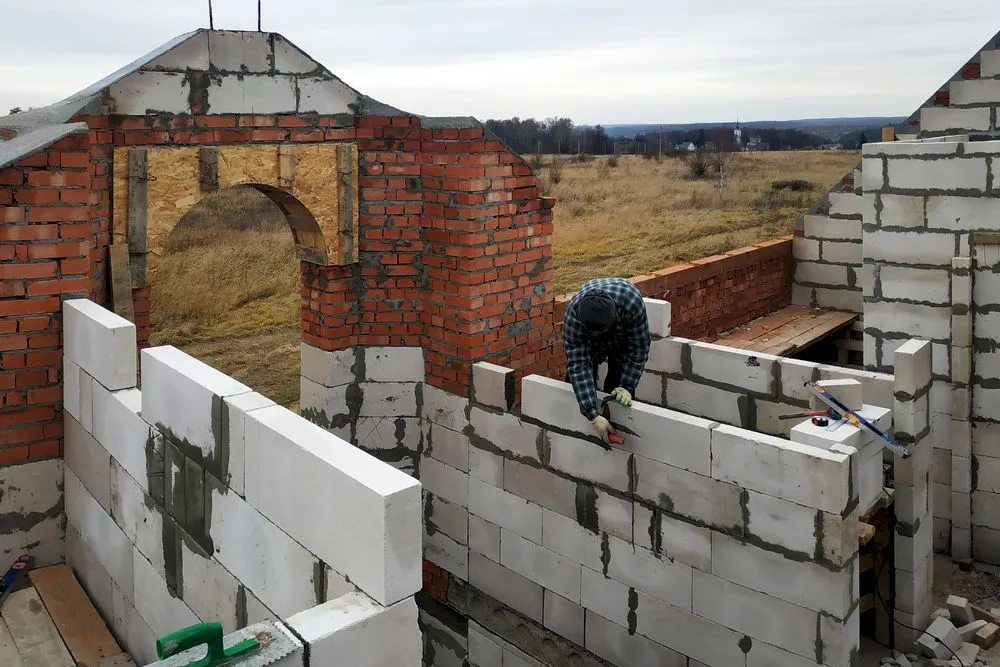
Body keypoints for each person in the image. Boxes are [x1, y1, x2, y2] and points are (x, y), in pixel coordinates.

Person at [563, 277, 651, 443]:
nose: (596, 335)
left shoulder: (632, 305)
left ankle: (618, 427)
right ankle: (579, 431)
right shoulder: (574, 316)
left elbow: (638, 349)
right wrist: (592, 414)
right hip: (588, 341)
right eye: (592, 332)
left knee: (616, 387)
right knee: (575, 383)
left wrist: (627, 385)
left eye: (599, 332)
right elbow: (579, 366)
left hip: (620, 337)